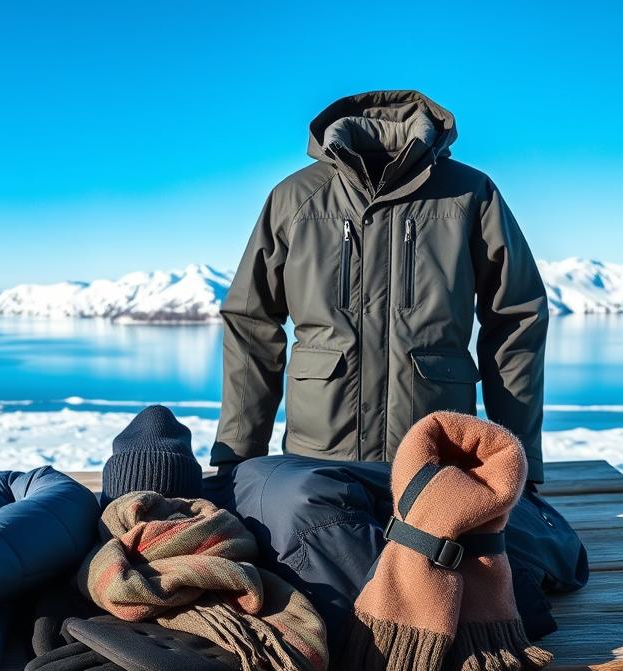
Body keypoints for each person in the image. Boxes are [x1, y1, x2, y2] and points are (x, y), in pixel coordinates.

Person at [211, 90, 548, 486]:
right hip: (319, 458)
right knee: (318, 545)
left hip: (436, 453)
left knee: (443, 548)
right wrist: (239, 453)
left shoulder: (470, 195)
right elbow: (251, 321)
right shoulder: (296, 199)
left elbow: (516, 316)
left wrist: (519, 461)